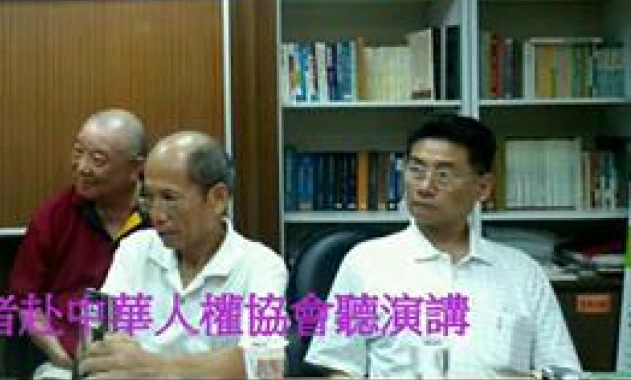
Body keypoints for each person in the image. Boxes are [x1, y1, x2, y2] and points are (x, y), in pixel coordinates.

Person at [305, 114, 582, 378]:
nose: (425, 186)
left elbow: (564, 372)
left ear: (483, 188)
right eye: (416, 170)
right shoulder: (366, 263)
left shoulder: (523, 273)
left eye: (443, 175)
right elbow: (340, 367)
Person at [78, 131, 288, 379]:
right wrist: (98, 349)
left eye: (169, 198)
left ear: (218, 199)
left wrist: (156, 367)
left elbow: (267, 365)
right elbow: (98, 337)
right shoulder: (135, 249)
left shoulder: (261, 265)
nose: (156, 215)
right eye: (148, 198)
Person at [8, 109, 151, 379]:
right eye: (78, 152)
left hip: (145, 361)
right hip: (63, 362)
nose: (82, 167)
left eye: (98, 159)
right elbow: (26, 301)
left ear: (136, 169)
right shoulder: (54, 215)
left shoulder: (161, 219)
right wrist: (61, 357)